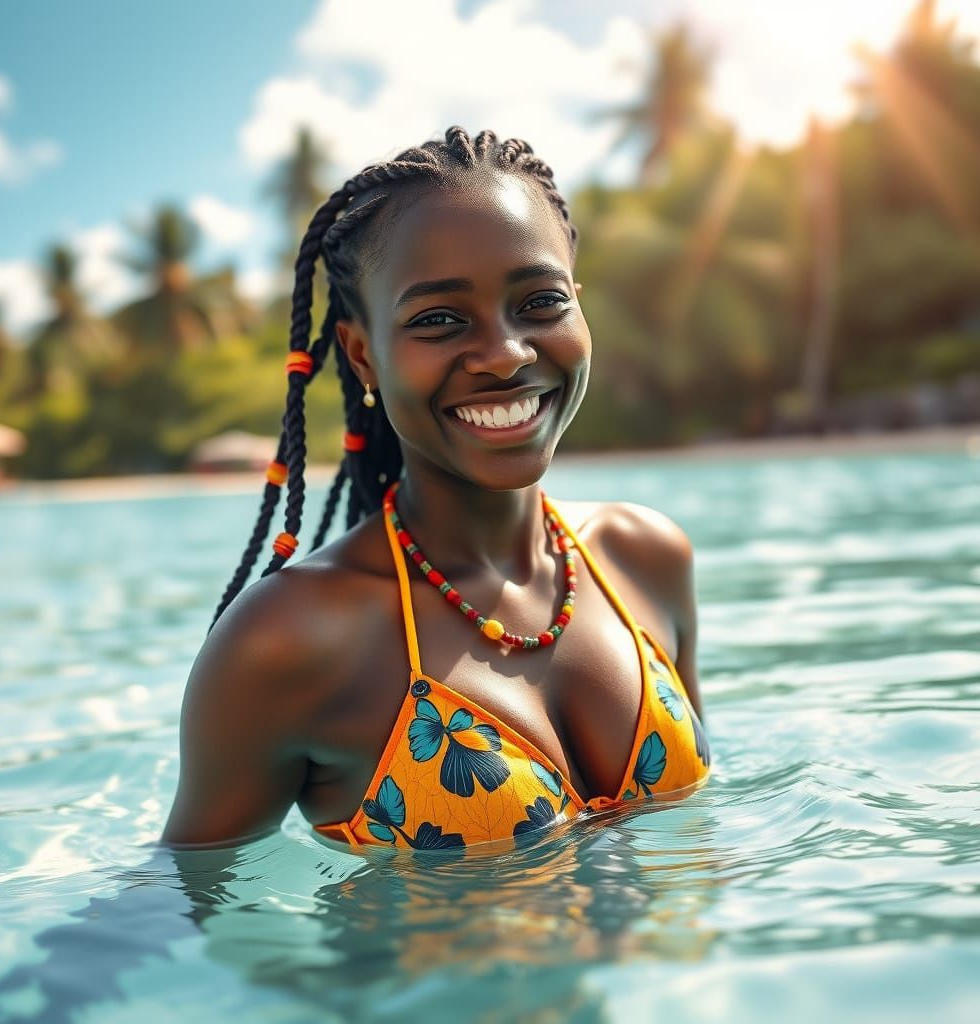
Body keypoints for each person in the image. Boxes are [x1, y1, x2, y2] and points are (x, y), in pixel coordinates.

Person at [162, 127, 710, 852]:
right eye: (439, 320)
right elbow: (183, 897)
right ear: (363, 355)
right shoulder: (288, 642)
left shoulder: (647, 557)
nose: (505, 355)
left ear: (579, 308)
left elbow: (705, 836)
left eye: (541, 301)